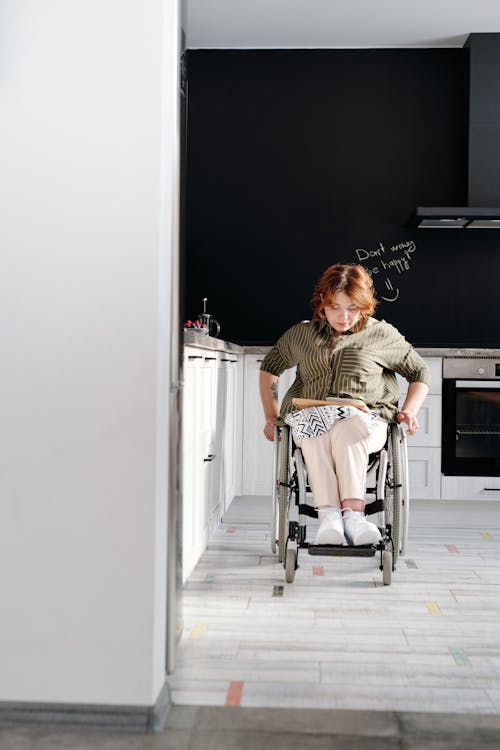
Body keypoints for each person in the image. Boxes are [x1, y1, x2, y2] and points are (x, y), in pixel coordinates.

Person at [259, 263, 430, 546]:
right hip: (312, 418)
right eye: (335, 307)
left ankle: (353, 516)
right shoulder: (302, 334)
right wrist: (270, 415)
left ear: (364, 306)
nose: (344, 316)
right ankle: (329, 518)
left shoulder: (381, 334)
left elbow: (419, 371)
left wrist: (409, 410)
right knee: (313, 427)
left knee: (347, 424)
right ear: (322, 304)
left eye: (352, 308)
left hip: (366, 420)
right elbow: (270, 367)